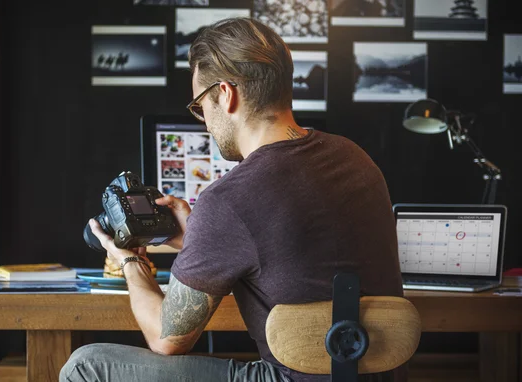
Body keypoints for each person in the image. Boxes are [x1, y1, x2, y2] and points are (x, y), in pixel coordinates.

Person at [60, 17, 403, 382]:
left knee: (85, 365)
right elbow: (305, 257)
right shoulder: (355, 158)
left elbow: (167, 339)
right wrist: (200, 236)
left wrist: (128, 260)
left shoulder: (228, 199)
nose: (204, 121)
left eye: (200, 105)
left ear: (225, 94)